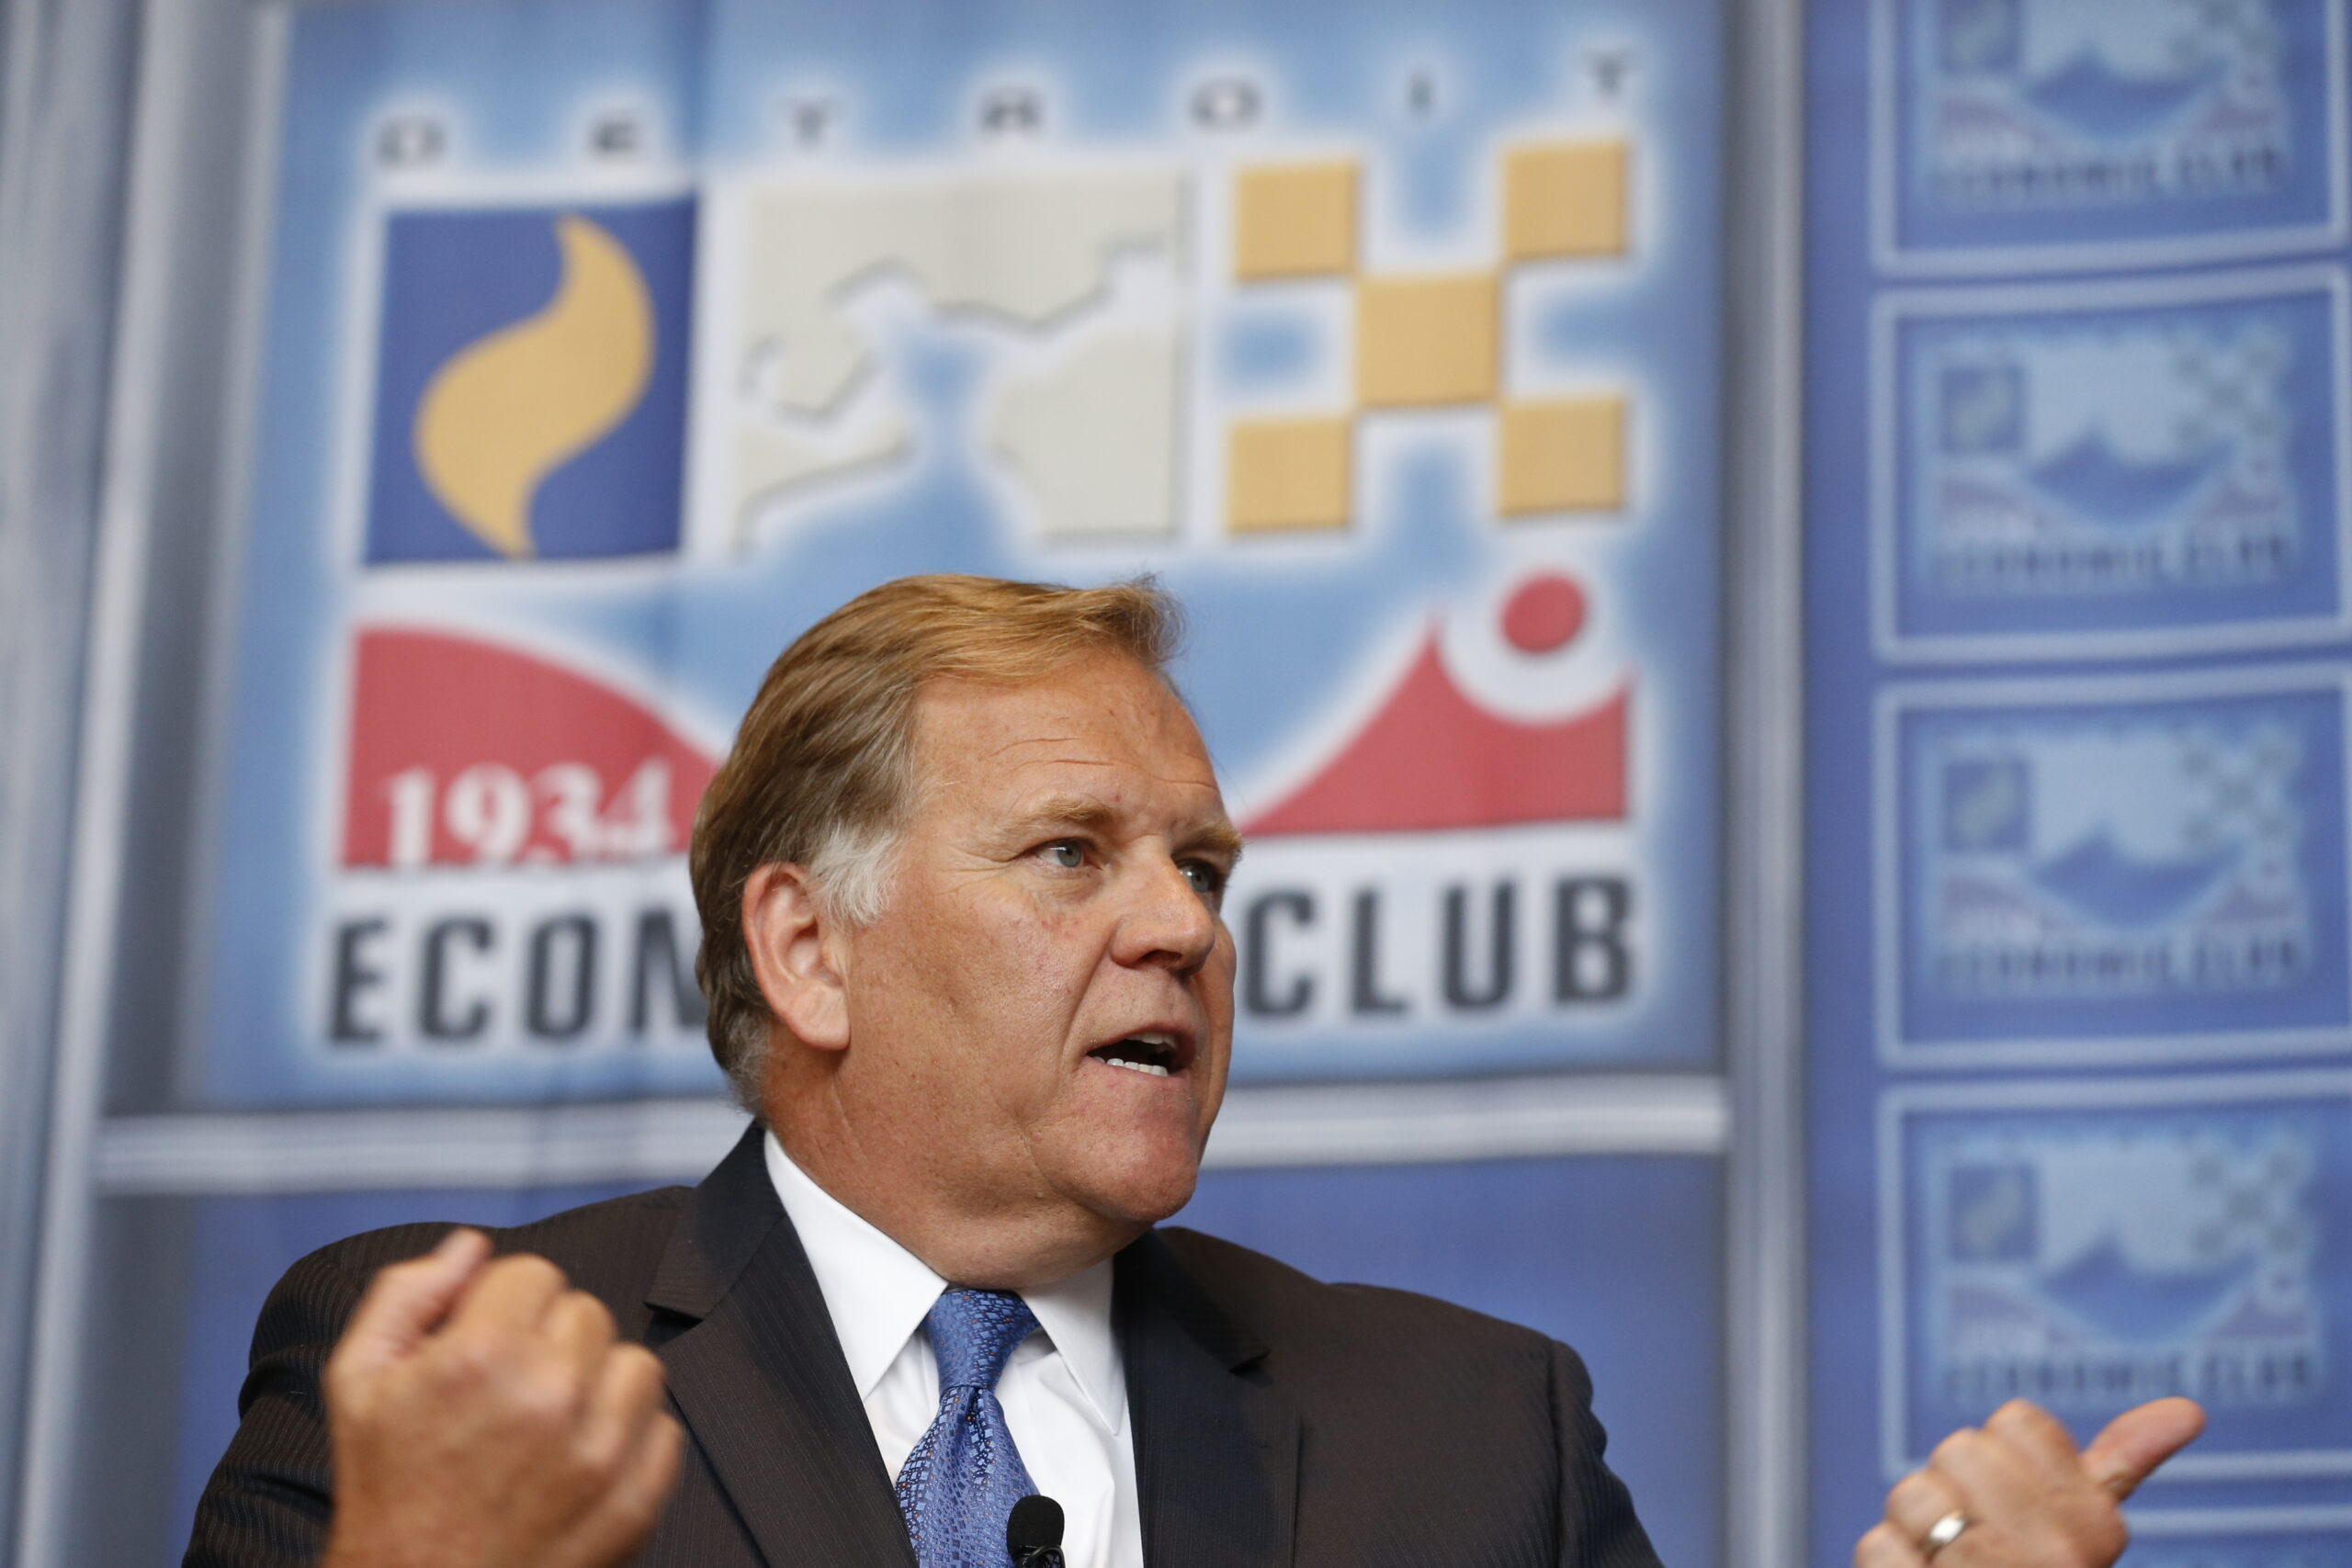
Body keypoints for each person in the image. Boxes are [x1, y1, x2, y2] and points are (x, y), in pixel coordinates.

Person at [186, 575, 2205, 1568]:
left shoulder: (1465, 1430)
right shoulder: (454, 1364)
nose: (1179, 926)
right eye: (1073, 853)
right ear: (807, 945)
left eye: (1202, 865)